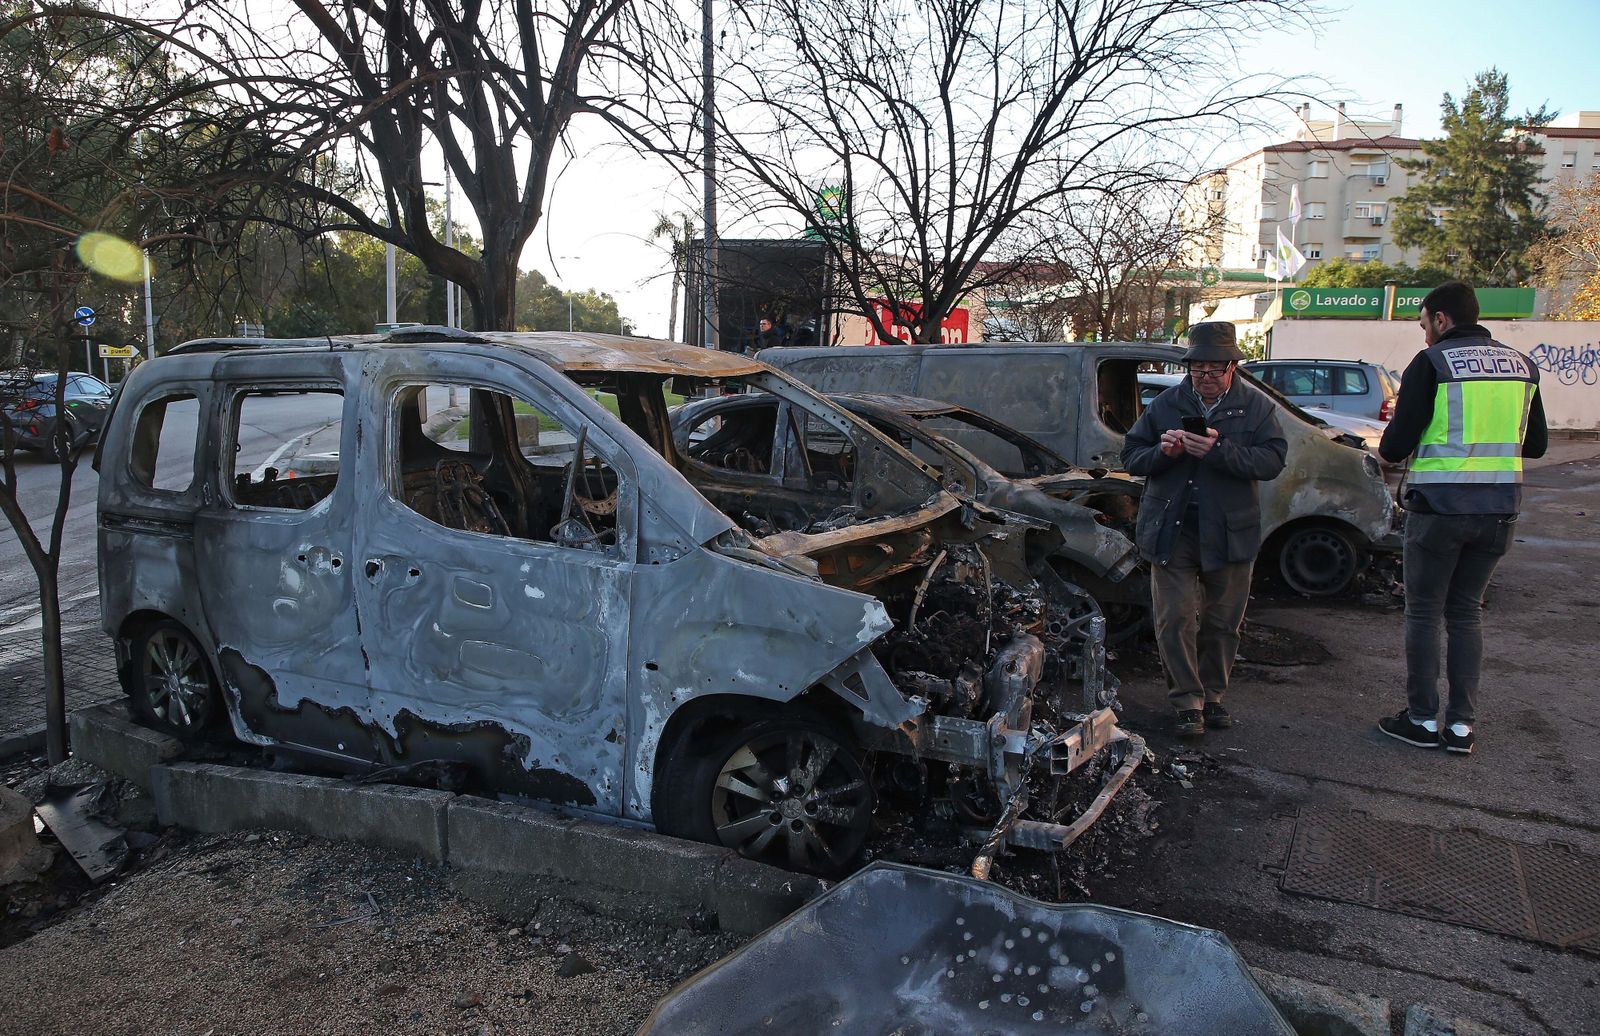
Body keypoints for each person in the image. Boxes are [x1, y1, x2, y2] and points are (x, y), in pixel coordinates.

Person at [1377, 281, 1546, 755]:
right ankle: (1460, 728)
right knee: (1467, 612)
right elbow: (1535, 445)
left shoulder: (1432, 363)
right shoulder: (1522, 365)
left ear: (1441, 318)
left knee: (1424, 612)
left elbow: (1394, 446)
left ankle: (1421, 720)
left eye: (1424, 324)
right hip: (1499, 511)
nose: (1424, 334)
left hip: (1439, 510)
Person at [1123, 322, 1288, 737]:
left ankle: (1212, 696)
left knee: (1222, 622)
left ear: (1233, 367)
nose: (1206, 377)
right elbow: (1131, 456)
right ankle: (1187, 702)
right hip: (1172, 529)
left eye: (1215, 369)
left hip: (1230, 531)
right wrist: (1163, 452)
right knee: (1174, 619)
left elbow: (1272, 461)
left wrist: (1219, 451)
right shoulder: (1166, 404)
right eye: (1198, 369)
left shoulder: (1256, 407)